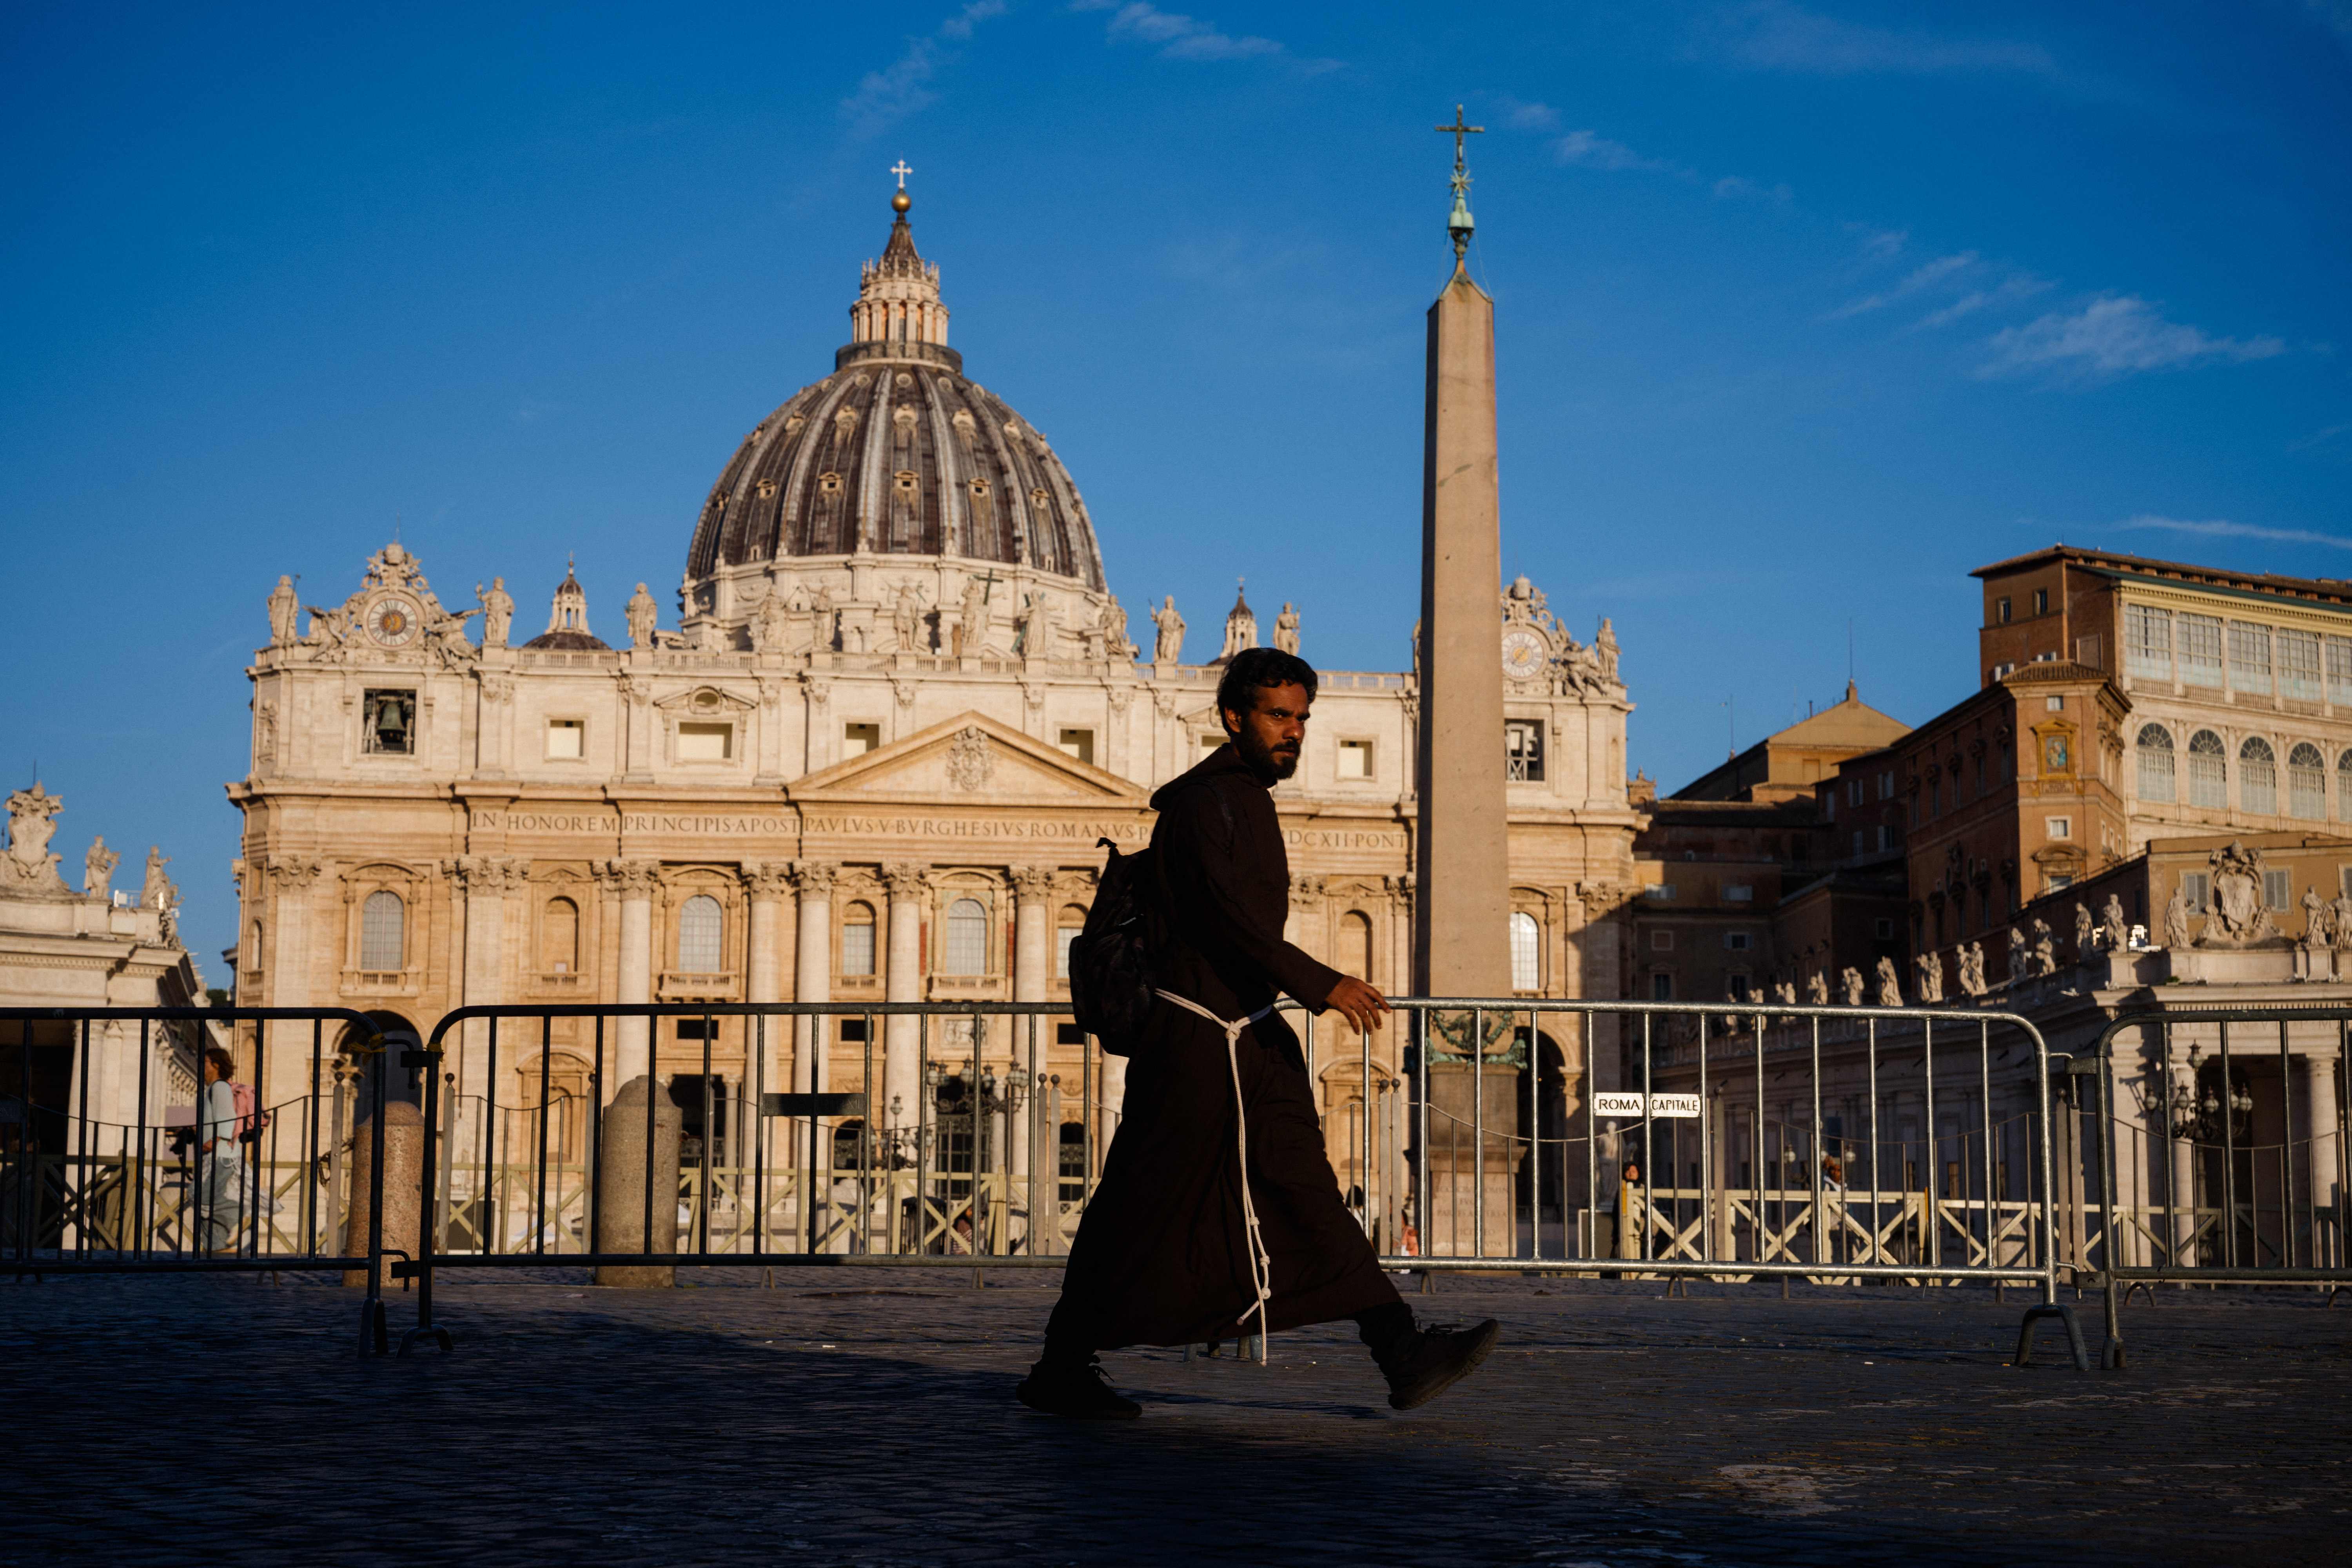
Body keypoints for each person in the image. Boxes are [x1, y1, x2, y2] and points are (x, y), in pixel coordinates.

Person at [1017, 647, 1499, 1419]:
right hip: (1200, 1046)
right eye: (1279, 715)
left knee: (1303, 1189)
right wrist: (1323, 982)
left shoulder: (1243, 796)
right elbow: (1222, 921)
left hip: (1251, 1038)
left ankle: (1400, 1347)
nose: (1295, 731)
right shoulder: (1209, 804)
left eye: (1303, 717)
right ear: (1233, 717)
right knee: (1140, 1203)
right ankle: (1063, 1361)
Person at [197, 1046, 245, 1255]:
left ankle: (236, 1218)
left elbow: (227, 1119)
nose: (202, 1066)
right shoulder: (213, 1088)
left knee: (202, 1197)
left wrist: (213, 1140)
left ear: (215, 1065)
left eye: (205, 1062)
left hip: (222, 1154)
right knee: (208, 1200)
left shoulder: (219, 1087)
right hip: (216, 1152)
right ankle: (215, 1247)